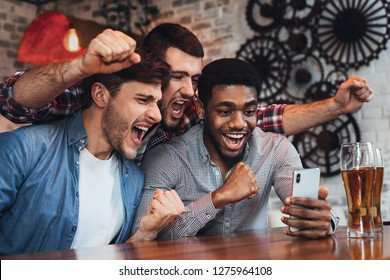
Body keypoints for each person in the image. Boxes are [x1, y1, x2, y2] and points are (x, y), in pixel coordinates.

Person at [0, 24, 373, 161]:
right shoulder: (102, 94)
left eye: (194, 79)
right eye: (177, 76)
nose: (188, 91)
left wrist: (337, 106)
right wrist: (80, 65)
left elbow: (263, 118)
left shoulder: (189, 108)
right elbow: (11, 101)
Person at [0, 49, 184, 255]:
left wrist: (146, 233)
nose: (157, 116)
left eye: (157, 104)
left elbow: (108, 257)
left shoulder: (133, 179)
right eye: (143, 100)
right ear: (100, 96)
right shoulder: (25, 148)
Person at [131, 58, 338, 239]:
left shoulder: (275, 149)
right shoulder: (168, 158)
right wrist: (217, 198)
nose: (239, 123)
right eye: (225, 111)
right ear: (202, 110)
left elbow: (305, 206)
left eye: (249, 111)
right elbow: (146, 235)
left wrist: (324, 221)